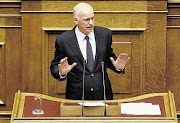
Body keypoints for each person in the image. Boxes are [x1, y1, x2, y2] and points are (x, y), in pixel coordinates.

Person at [50, 2, 130, 100]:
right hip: (77, 98)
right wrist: (61, 72)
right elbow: (55, 66)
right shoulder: (63, 40)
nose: (91, 23)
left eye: (92, 18)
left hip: (103, 96)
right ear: (76, 20)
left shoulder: (105, 34)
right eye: (86, 20)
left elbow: (108, 59)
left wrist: (117, 67)